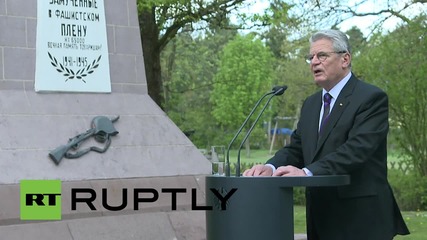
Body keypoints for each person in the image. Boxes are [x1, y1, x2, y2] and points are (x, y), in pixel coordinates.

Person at [243, 29, 410, 240]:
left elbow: (356, 150)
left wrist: (307, 172)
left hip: (361, 220)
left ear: (345, 59)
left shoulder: (371, 98)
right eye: (310, 57)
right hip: (321, 219)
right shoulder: (312, 104)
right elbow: (297, 147)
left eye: (322, 55)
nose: (314, 62)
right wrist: (270, 167)